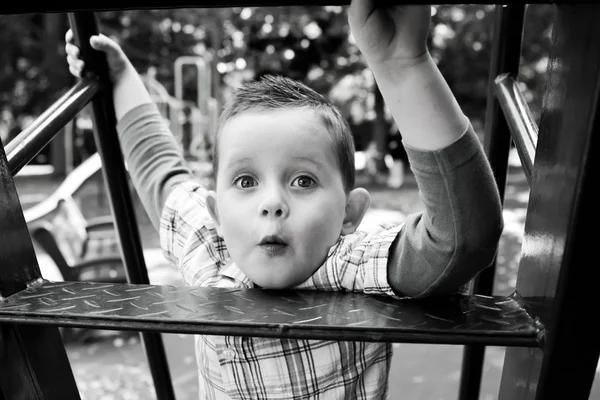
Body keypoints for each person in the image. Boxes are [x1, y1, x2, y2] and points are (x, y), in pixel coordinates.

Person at [65, 1, 504, 398]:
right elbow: (159, 170)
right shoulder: (210, 249)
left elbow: (461, 238)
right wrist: (122, 79)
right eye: (245, 181)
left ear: (348, 214)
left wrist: (405, 65)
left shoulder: (351, 265)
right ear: (216, 212)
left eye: (303, 181)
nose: (271, 203)